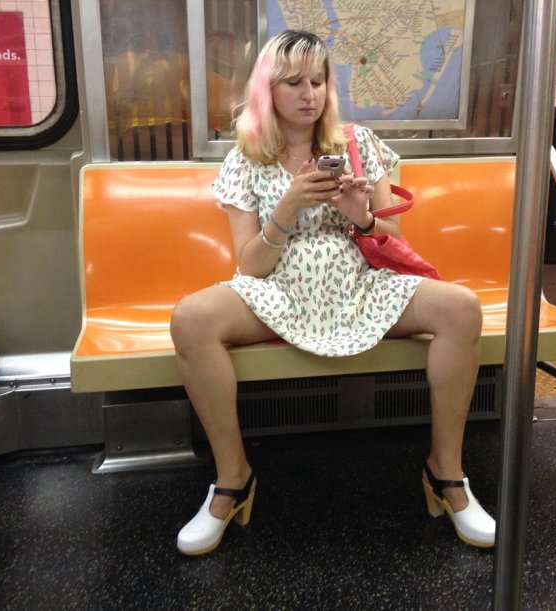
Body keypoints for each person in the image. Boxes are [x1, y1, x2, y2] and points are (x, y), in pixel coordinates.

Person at [171, 30, 495, 555]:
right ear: (266, 92)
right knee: (190, 319)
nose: (309, 94)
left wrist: (360, 216)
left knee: (462, 308)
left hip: (359, 287)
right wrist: (288, 207)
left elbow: (393, 240)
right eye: (294, 82)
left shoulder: (357, 144)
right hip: (279, 291)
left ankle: (447, 474)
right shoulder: (245, 160)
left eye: (318, 81)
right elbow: (249, 266)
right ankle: (232, 480)